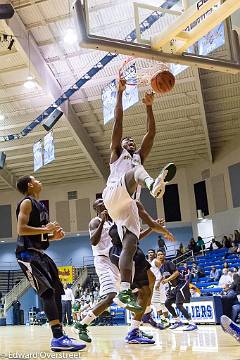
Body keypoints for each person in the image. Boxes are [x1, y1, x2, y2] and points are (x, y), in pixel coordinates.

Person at [102, 79, 176, 312]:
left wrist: (149, 106)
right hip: (113, 194)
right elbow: (119, 121)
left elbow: (151, 133)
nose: (130, 142)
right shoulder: (117, 154)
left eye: (132, 141)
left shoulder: (138, 157)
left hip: (129, 204)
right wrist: (120, 94)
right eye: (127, 140)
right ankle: (154, 184)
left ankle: (124, 289)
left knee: (131, 245)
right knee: (136, 173)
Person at [15, 175, 85, 352]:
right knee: (46, 292)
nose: (39, 181)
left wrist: (54, 236)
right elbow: (21, 229)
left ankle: (61, 336)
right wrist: (46, 229)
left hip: (41, 254)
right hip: (26, 254)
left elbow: (41, 235)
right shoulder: (26, 203)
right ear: (30, 185)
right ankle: (57, 337)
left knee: (56, 293)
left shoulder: (41, 207)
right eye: (35, 179)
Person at [158, 250, 197, 331]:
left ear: (164, 255)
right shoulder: (161, 268)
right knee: (167, 303)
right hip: (174, 287)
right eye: (158, 255)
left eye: (162, 254)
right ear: (157, 257)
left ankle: (192, 323)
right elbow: (166, 278)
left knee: (179, 304)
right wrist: (165, 285)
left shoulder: (169, 263)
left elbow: (176, 273)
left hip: (181, 284)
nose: (160, 256)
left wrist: (167, 280)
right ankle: (177, 321)